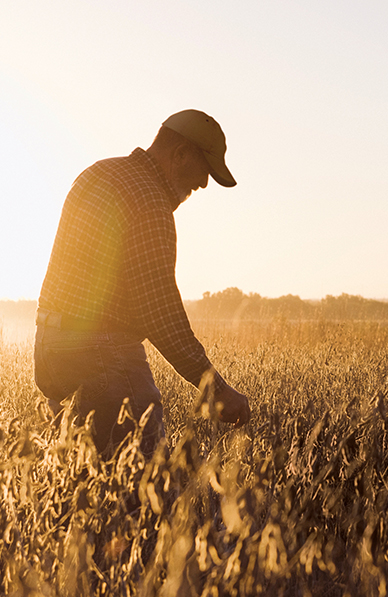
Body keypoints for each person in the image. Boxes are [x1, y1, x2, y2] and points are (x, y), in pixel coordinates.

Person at [34, 109, 251, 457]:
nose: (204, 183)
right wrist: (217, 389)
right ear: (180, 154)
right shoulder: (150, 201)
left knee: (78, 479)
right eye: (204, 170)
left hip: (50, 346)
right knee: (145, 484)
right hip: (102, 353)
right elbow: (162, 315)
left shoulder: (98, 173)